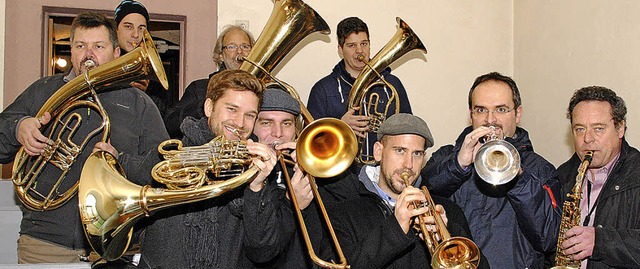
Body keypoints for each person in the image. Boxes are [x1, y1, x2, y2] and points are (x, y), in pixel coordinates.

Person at [0, 13, 168, 264]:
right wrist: (18, 127)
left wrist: (119, 163)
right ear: (71, 50)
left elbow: (162, 168)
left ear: (115, 53)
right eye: (80, 46)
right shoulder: (43, 90)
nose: (88, 54)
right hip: (45, 243)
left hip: (114, 247)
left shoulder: (139, 103)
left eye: (98, 46)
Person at [138, 69, 279, 268]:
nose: (240, 122)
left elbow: (263, 251)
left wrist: (257, 187)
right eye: (231, 109)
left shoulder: (258, 169)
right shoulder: (167, 157)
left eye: (249, 115)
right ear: (209, 107)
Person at [422, 72, 561, 268]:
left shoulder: (540, 168)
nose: (490, 120)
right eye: (481, 110)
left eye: (501, 109)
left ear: (518, 114)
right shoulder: (446, 157)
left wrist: (518, 176)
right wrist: (458, 164)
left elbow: (549, 238)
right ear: (471, 115)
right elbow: (425, 192)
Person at [324, 113, 488, 268]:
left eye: (417, 154)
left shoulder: (448, 211)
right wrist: (395, 228)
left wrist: (451, 235)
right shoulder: (342, 213)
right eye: (400, 150)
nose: (408, 164)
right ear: (378, 152)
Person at [307, 17, 412, 166]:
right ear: (340, 49)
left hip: (384, 171)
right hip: (341, 175)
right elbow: (311, 144)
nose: (360, 51)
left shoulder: (391, 84)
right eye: (351, 45)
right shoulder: (322, 90)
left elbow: (410, 130)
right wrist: (339, 127)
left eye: (364, 43)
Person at [555, 86, 640, 269]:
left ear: (620, 129)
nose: (587, 139)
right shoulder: (561, 176)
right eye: (579, 129)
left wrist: (600, 242)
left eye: (598, 128)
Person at [245, 87, 319, 268]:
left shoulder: (304, 164)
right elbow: (262, 250)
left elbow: (352, 200)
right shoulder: (244, 174)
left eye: (286, 123)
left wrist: (315, 160)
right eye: (266, 123)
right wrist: (292, 204)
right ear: (252, 128)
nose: (278, 133)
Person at [163, 25, 255, 139]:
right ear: (221, 55)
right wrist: (201, 107)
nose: (239, 52)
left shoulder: (262, 90)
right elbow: (169, 124)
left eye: (245, 47)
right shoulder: (199, 88)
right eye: (232, 47)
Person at [114, 0, 171, 117]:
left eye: (141, 28)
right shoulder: (104, 61)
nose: (135, 35)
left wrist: (145, 94)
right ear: (116, 30)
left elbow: (163, 117)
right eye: (128, 27)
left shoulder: (154, 74)